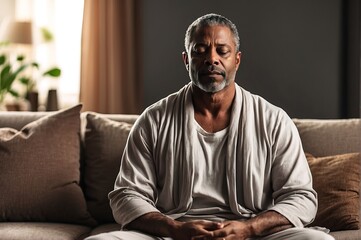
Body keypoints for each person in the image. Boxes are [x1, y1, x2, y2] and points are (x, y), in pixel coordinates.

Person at [87, 13, 334, 240]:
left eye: (222, 51)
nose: (211, 59)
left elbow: (301, 198)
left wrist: (249, 228)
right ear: (186, 60)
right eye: (200, 51)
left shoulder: (274, 120)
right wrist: (175, 229)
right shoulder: (153, 120)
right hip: (173, 233)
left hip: (253, 234)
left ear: (237, 60)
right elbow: (126, 195)